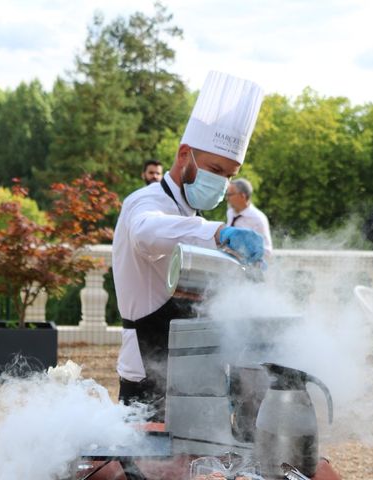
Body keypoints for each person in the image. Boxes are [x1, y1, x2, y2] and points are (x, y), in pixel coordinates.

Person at [112, 71, 265, 421]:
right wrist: (218, 233)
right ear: (184, 155)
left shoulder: (188, 211)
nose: (223, 182)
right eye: (215, 169)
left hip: (187, 373)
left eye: (229, 174)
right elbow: (146, 232)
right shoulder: (145, 202)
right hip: (147, 376)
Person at [226, 178, 273, 260]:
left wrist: (242, 254)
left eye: (230, 195)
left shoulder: (258, 219)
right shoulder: (230, 212)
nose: (227, 198)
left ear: (242, 196)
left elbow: (267, 252)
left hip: (247, 268)